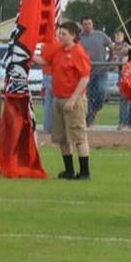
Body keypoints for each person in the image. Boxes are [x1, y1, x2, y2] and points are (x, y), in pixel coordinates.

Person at [36, 21, 92, 180]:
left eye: (64, 33)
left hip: (72, 99)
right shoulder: (58, 51)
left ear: (73, 36)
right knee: (62, 137)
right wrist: (26, 53)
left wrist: (73, 100)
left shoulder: (78, 52)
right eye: (59, 33)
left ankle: (84, 171)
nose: (60, 36)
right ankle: (69, 170)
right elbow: (45, 61)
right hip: (58, 98)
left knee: (78, 136)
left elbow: (84, 78)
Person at [78, 17, 111, 126]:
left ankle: (95, 111)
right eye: (85, 24)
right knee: (88, 97)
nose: (87, 26)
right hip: (86, 72)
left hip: (101, 70)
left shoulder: (100, 35)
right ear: (82, 25)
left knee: (101, 92)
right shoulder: (79, 38)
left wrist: (109, 61)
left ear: (92, 24)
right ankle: (90, 118)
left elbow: (111, 46)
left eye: (89, 23)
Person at [111, 29, 131, 129]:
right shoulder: (112, 46)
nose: (118, 37)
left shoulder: (126, 45)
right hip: (121, 74)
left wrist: (128, 49)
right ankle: (123, 122)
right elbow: (112, 59)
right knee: (123, 98)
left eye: (120, 35)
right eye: (116, 35)